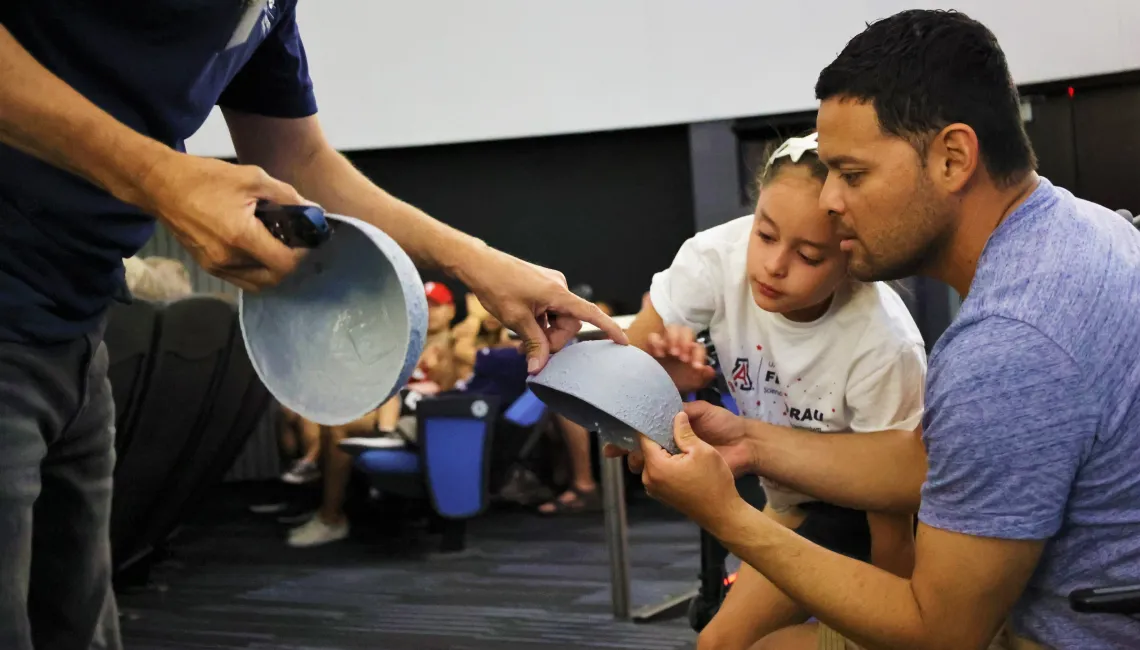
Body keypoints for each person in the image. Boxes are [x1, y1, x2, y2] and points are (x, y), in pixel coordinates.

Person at [0, 6, 624, 649]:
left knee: (72, 625)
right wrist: (161, 178)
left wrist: (480, 262)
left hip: (75, 321)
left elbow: (298, 157)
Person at [627, 9, 1140, 650]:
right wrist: (750, 443)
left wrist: (725, 514)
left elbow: (940, 632)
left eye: (852, 174)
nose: (831, 200)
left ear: (953, 158)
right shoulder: (1084, 227)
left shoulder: (1009, 345)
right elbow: (930, 459)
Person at [625, 132, 926, 648]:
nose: (773, 266)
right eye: (764, 235)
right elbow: (627, 382)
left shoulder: (885, 344)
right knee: (719, 644)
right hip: (788, 497)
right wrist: (661, 384)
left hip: (862, 511)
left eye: (809, 255)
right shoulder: (716, 257)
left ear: (853, 258)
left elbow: (894, 515)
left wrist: (889, 630)